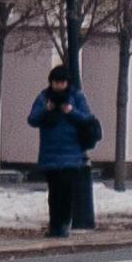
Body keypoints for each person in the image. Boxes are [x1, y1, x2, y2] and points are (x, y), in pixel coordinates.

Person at [28, 63, 102, 236]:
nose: (59, 86)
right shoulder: (44, 98)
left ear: (67, 82)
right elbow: (32, 119)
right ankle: (54, 225)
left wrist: (71, 112)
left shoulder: (76, 97)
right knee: (54, 193)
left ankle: (63, 225)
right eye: (56, 82)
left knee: (66, 191)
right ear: (51, 83)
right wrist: (47, 110)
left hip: (71, 154)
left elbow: (87, 118)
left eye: (62, 82)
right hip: (50, 153)